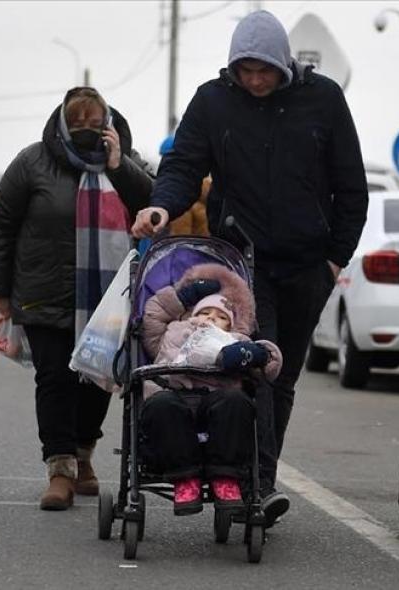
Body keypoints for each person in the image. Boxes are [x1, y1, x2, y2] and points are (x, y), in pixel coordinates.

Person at [130, 10, 368, 524]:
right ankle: (252, 487)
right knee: (252, 367)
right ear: (233, 68)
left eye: (265, 70)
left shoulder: (323, 100)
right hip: (244, 263)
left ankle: (257, 478)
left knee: (282, 379)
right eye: (246, 71)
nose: (256, 80)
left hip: (308, 265)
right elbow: (183, 166)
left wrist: (334, 259)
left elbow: (351, 185)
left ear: (283, 64)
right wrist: (161, 208)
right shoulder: (213, 103)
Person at [0, 87, 153, 510]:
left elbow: (154, 205)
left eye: (95, 124)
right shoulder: (32, 162)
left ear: (109, 126)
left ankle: (83, 455)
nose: (85, 131)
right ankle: (59, 470)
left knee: (98, 377)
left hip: (109, 297)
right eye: (77, 124)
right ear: (62, 123)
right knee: (55, 379)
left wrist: (119, 165)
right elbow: (1, 225)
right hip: (45, 293)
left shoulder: (125, 163)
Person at [140, 262, 281, 515]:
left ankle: (226, 478)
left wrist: (254, 355)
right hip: (175, 394)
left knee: (237, 401)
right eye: (205, 313)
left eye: (220, 318)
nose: (211, 320)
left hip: (216, 399)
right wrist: (180, 297)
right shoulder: (173, 331)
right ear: (190, 315)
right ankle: (185, 479)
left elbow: (270, 364)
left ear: (231, 325)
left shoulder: (234, 341)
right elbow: (152, 315)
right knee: (160, 404)